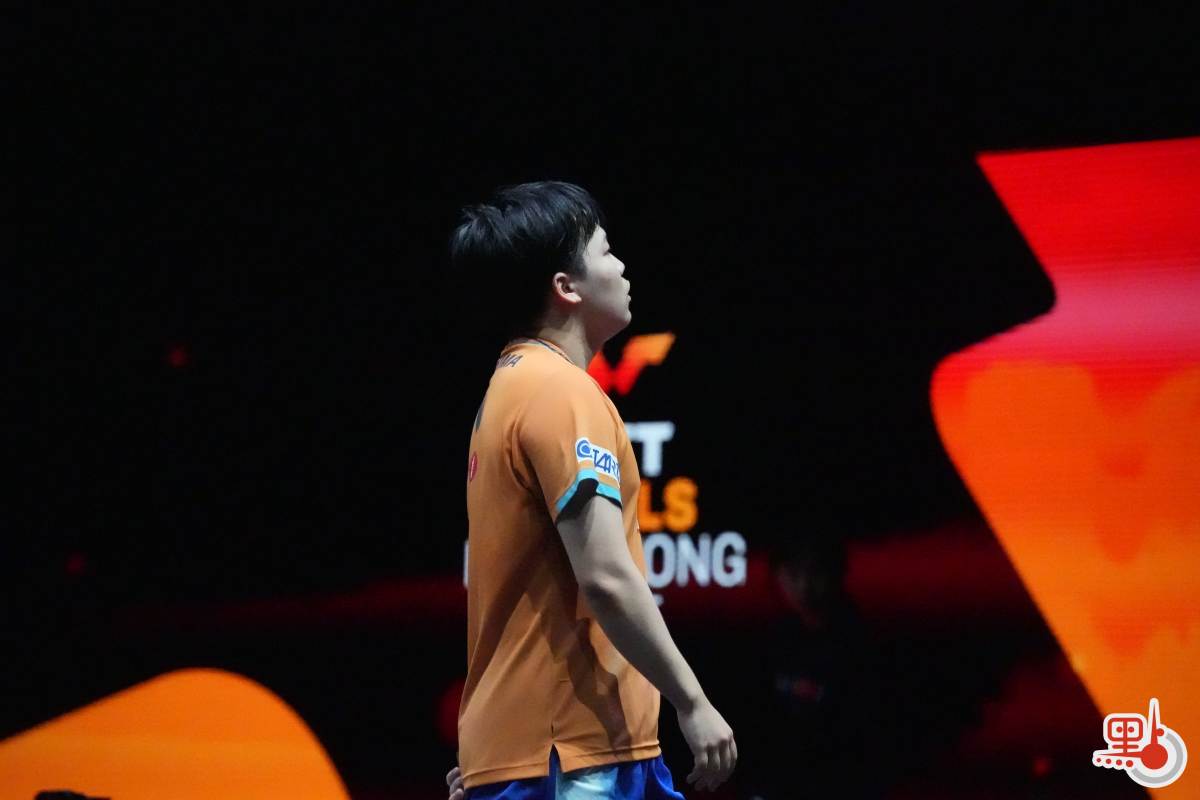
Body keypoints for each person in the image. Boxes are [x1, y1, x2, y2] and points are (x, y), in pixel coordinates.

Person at [444, 181, 736, 799]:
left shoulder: (506, 390)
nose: (622, 267)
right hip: (575, 752)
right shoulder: (561, 392)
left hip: (544, 747)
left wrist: (496, 752)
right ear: (566, 287)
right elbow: (604, 575)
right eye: (605, 251)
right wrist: (693, 701)